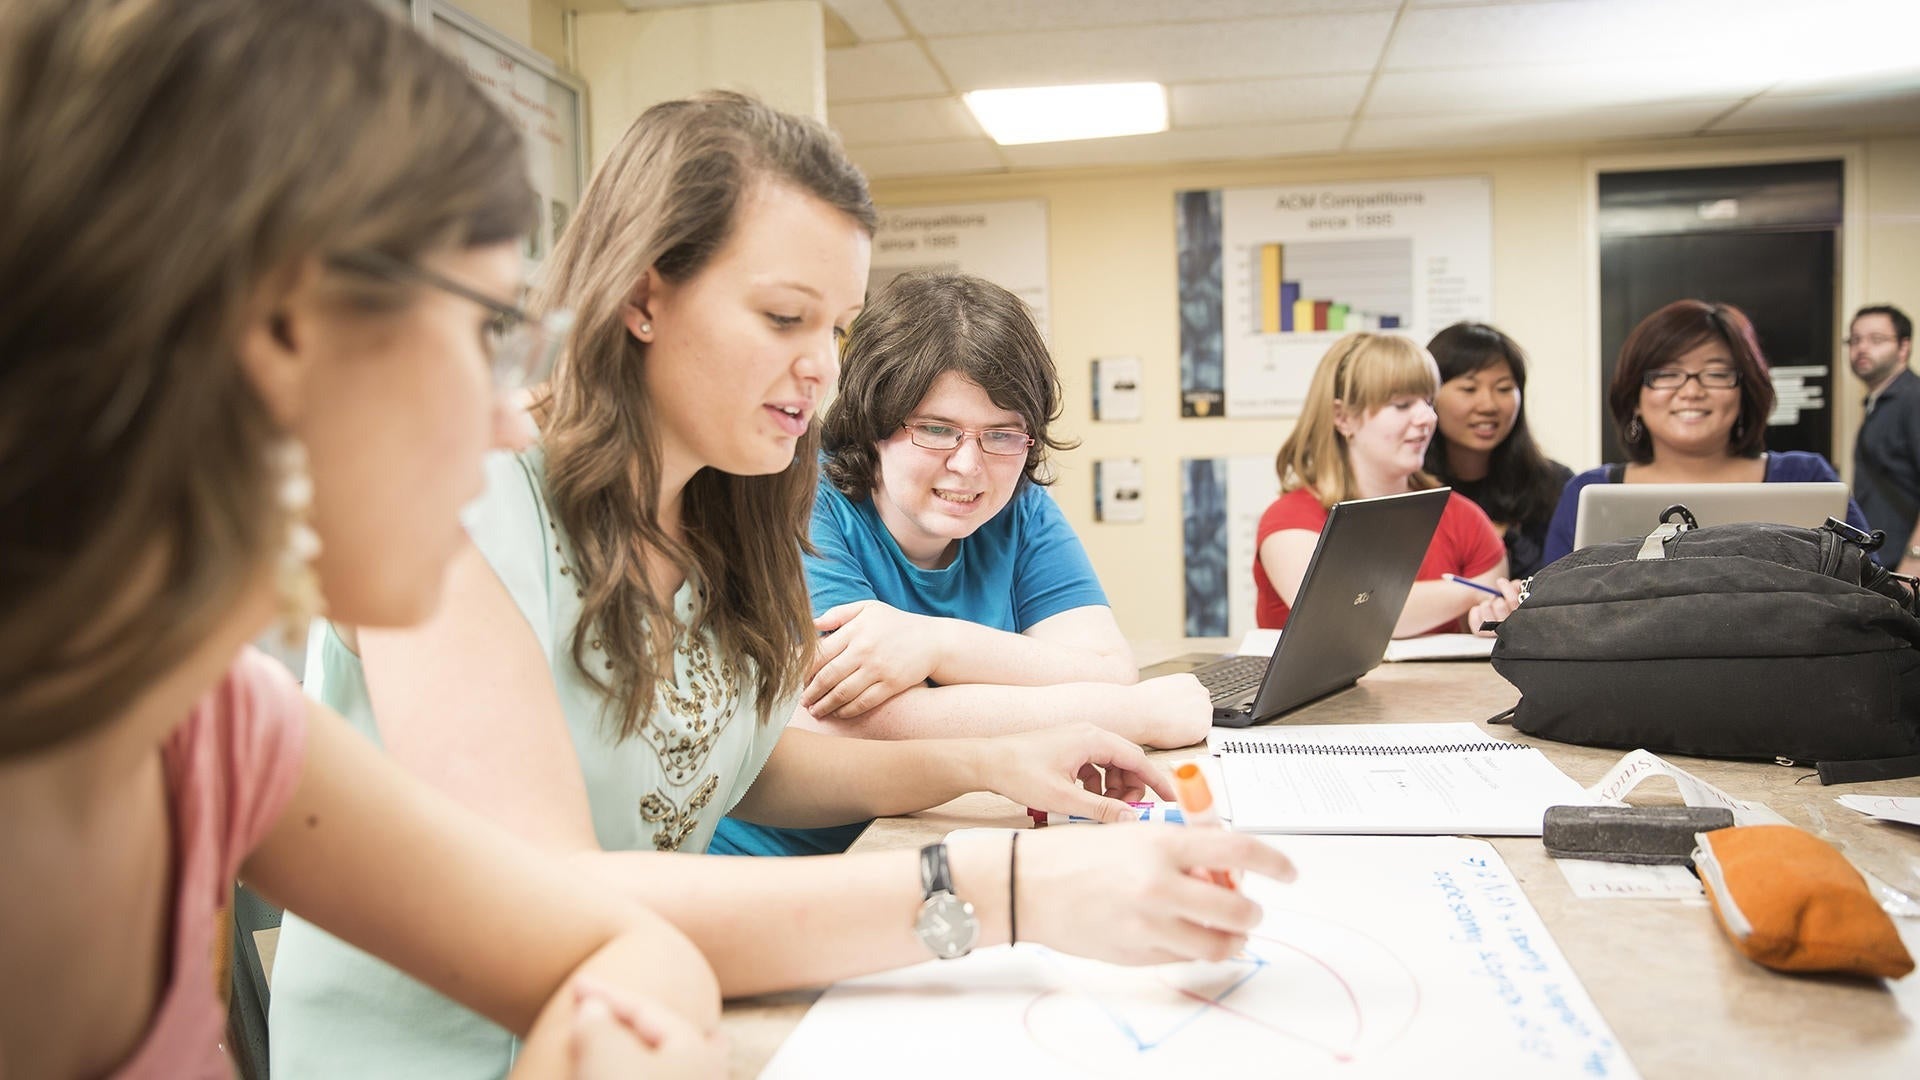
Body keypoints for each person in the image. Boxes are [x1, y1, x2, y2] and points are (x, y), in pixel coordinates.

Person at [268, 92, 1296, 1078]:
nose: (821, 370)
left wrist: (999, 759)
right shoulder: (473, 490)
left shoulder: (730, 506)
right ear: (641, 296)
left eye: (835, 330)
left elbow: (730, 763)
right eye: (783, 317)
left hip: (648, 1009)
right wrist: (1006, 887)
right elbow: (543, 892)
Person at [0, 1, 726, 1077]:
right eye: (487, 332)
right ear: (286, 325)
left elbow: (625, 945)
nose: (503, 416)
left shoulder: (212, 723)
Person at [709, 272, 1209, 858]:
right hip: (779, 862)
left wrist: (937, 643)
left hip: (924, 831)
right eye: (936, 430)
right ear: (874, 426)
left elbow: (1106, 665)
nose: (970, 465)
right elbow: (856, 722)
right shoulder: (801, 500)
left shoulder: (1019, 507)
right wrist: (1134, 716)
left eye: (1002, 434)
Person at [1541, 300, 1870, 565]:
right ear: (1635, 397)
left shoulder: (1805, 477)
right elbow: (1545, 605)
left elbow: (1873, 589)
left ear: (1745, 392)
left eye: (1715, 373)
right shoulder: (1588, 491)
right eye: (1668, 374)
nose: (1691, 391)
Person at [1255, 333, 1508, 637]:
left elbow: (1487, 629)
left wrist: (1496, 619)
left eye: (1428, 401)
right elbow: (1354, 615)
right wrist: (1471, 594)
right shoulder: (1290, 521)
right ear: (1343, 417)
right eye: (1401, 405)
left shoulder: (1465, 519)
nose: (1426, 417)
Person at [1423, 322, 1574, 578]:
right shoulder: (1410, 487)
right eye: (1469, 389)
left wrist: (1507, 537)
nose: (1488, 405)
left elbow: (1563, 583)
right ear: (1429, 395)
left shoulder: (1553, 485)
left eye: (1504, 388)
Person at [1848, 304, 1920, 569]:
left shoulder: (1913, 398)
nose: (1862, 348)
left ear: (1904, 347)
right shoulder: (1879, 402)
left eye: (1876, 339)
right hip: (1885, 563)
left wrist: (1915, 558)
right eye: (1855, 340)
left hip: (1907, 567)